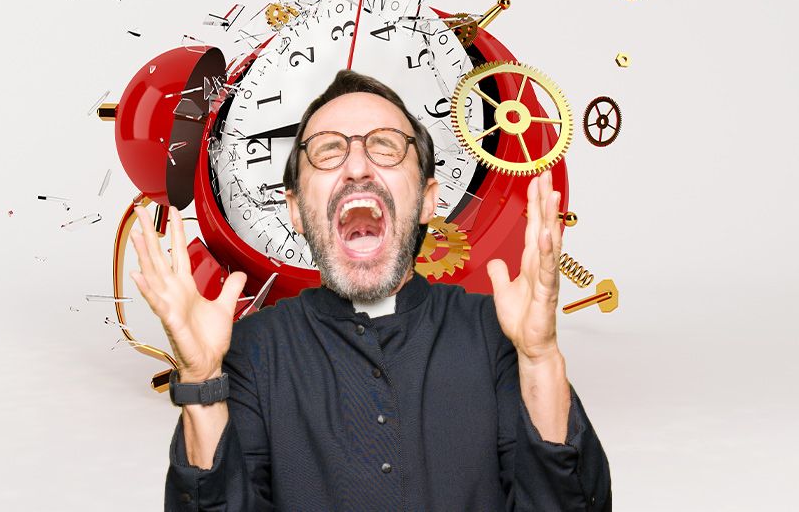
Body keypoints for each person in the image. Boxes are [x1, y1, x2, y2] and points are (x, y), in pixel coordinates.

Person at [128, 70, 612, 511]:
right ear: (295, 211)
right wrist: (201, 381)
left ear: (426, 199)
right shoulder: (253, 352)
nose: (357, 166)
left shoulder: (494, 336)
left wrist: (541, 358)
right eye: (328, 150)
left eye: (384, 146)